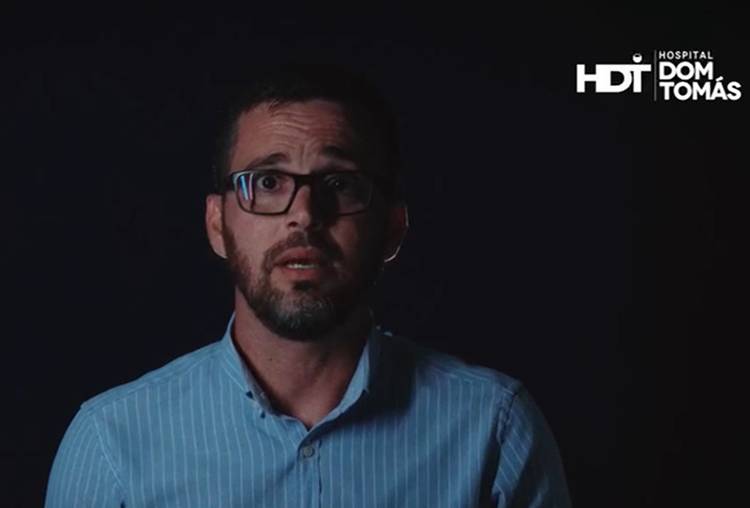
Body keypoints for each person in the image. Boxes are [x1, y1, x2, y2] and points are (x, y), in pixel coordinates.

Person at [45, 62, 573, 507]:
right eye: (267, 182)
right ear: (217, 225)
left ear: (392, 228)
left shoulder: (494, 430)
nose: (304, 215)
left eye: (338, 184)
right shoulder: (111, 444)